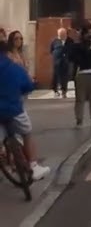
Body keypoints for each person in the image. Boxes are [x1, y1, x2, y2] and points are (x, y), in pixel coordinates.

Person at [0, 39, 51, 181]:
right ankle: (34, 166)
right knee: (26, 133)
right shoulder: (14, 67)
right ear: (8, 53)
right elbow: (29, 86)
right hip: (13, 109)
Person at [67, 23, 91, 129]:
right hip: (82, 74)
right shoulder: (78, 45)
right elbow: (74, 58)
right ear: (83, 34)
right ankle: (79, 120)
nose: (90, 36)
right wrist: (84, 48)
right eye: (87, 34)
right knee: (80, 99)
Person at [49, 28, 70, 97]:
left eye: (63, 34)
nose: (62, 36)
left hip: (66, 62)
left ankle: (64, 91)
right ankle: (55, 90)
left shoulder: (69, 40)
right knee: (55, 76)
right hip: (57, 62)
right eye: (60, 34)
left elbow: (72, 49)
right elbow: (51, 50)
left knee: (65, 77)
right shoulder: (54, 41)